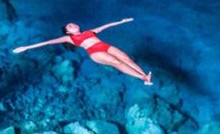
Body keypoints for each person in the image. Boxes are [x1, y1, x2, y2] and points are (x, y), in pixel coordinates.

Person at [12, 18, 152, 85]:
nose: (72, 24)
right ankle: (141, 78)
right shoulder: (69, 38)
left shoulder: (90, 31)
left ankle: (145, 76)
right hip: (95, 52)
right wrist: (26, 47)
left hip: (104, 46)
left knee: (126, 58)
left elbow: (106, 25)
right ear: (68, 31)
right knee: (116, 62)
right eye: (69, 25)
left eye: (72, 23)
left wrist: (122, 21)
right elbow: (48, 42)